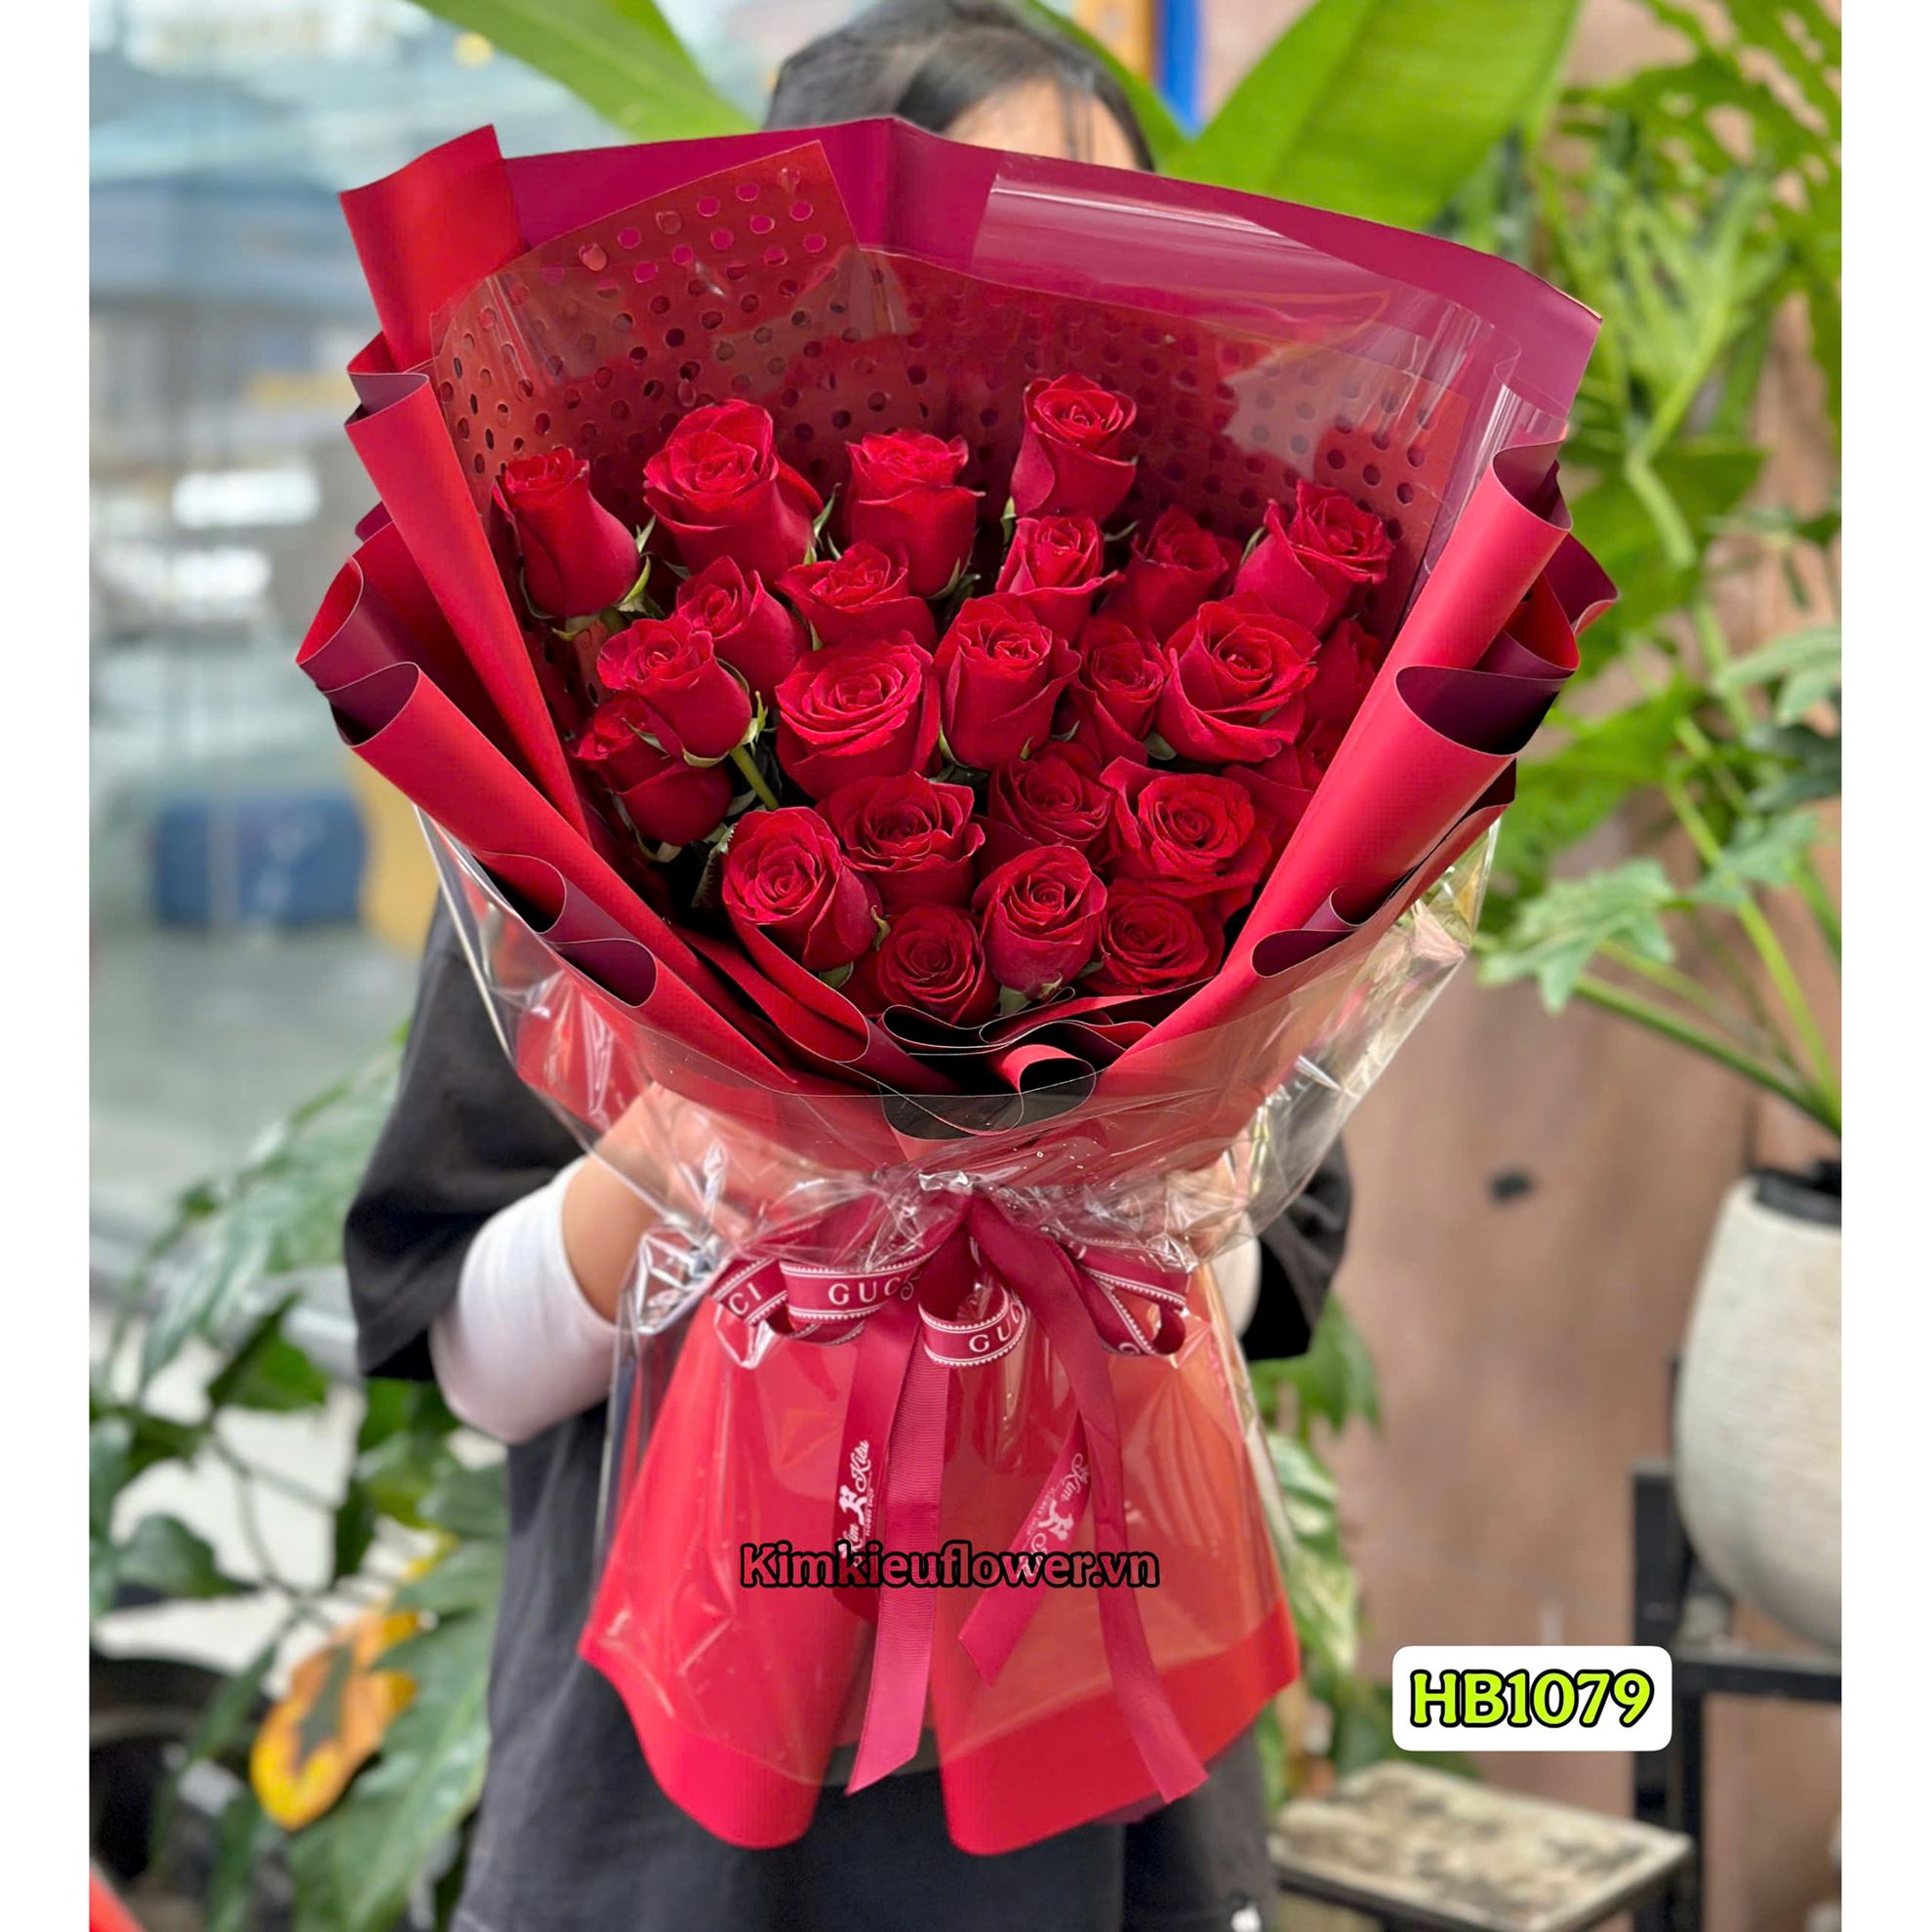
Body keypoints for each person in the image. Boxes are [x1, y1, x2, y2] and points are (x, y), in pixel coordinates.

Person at [346, 5, 1351, 1927]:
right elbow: (472, 1360)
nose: (1067, 313)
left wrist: (1140, 1178)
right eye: (998, 242)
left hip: (1099, 1774)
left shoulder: (1229, 758)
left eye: (1119, 247)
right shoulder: (587, 759)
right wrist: (706, 1151)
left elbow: (1276, 1265)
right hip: (680, 1801)